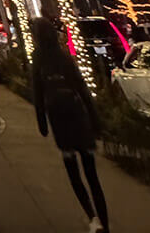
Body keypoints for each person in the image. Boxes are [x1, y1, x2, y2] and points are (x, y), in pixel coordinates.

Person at [31, 17, 109, 233]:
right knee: (92, 176)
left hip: (59, 120)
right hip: (77, 115)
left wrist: (41, 121)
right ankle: (104, 224)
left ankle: (92, 218)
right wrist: (95, 119)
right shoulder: (64, 56)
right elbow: (81, 88)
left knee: (74, 174)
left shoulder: (39, 58)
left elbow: (37, 91)